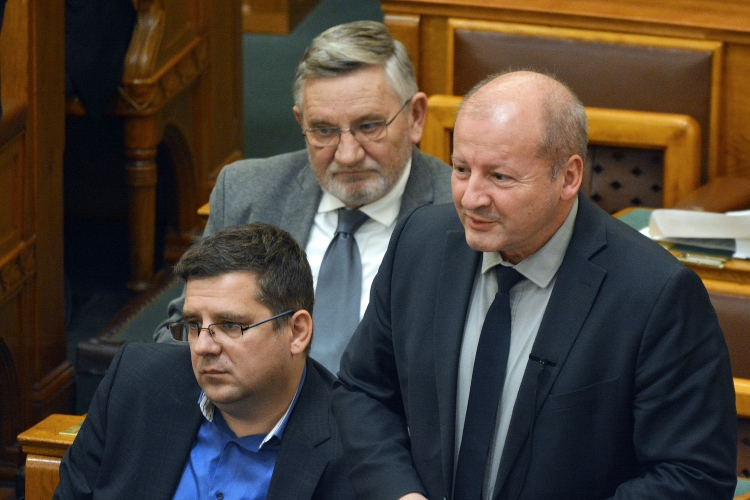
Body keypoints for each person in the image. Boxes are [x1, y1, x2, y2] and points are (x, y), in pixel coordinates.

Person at [331, 70, 737, 500]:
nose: (470, 197)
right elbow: (363, 391)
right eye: (462, 169)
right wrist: (399, 493)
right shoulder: (420, 244)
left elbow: (692, 476)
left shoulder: (656, 294)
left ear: (568, 177)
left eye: (500, 177)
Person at [153, 20, 452, 374]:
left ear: (415, 117)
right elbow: (181, 329)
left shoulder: (458, 212)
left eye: (369, 126)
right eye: (323, 130)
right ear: (300, 122)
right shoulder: (246, 193)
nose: (348, 155)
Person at [55, 223, 355, 500]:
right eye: (193, 325)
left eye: (230, 325)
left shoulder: (354, 446)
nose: (202, 346)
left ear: (297, 332)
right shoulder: (135, 383)